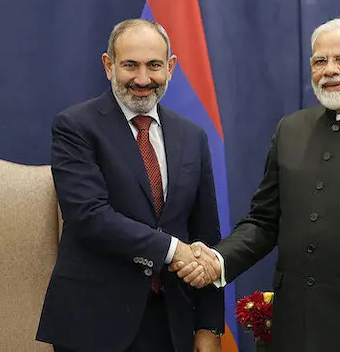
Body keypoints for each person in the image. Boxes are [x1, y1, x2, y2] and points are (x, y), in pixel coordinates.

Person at [173, 18, 340, 352]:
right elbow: (264, 221)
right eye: (320, 61)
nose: (330, 70)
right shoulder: (291, 130)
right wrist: (218, 259)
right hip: (293, 330)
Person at [36, 19, 224, 352]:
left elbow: (205, 235)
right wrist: (172, 250)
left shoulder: (192, 136)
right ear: (108, 66)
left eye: (154, 66)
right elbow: (89, 215)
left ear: (171, 67)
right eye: (130, 65)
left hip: (171, 322)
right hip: (95, 322)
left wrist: (208, 325)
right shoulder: (75, 127)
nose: (142, 79)